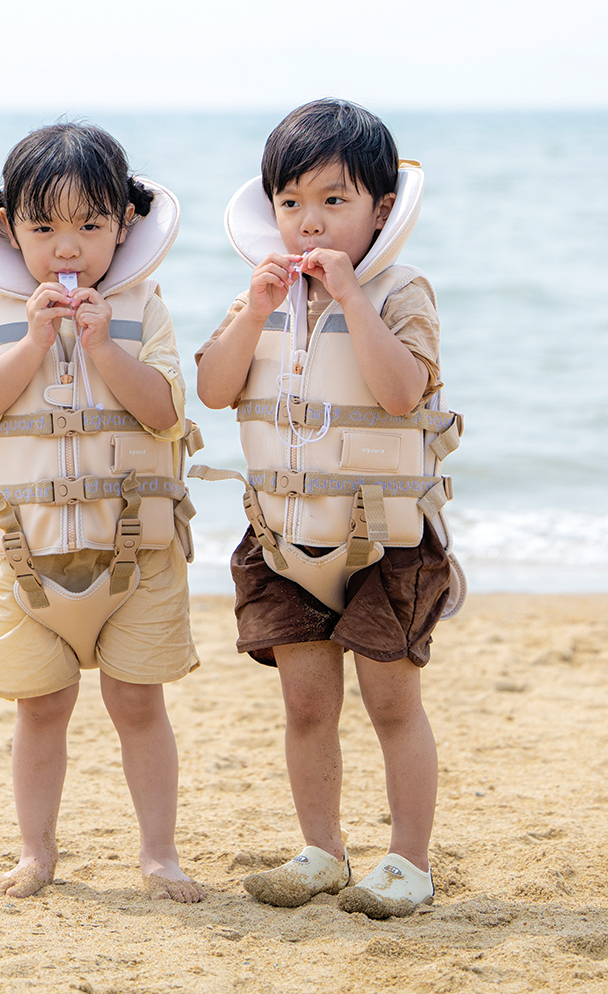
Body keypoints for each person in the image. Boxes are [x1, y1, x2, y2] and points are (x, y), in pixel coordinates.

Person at [195, 99, 462, 918]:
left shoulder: (401, 292)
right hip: (285, 537)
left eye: (333, 201)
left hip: (387, 541)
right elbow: (213, 390)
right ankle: (322, 850)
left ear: (381, 209)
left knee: (392, 703)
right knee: (306, 704)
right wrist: (254, 311)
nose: (308, 222)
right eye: (291, 202)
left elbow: (401, 392)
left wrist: (352, 300)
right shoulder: (261, 293)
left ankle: (408, 862)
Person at [0, 122, 203, 903]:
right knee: (41, 707)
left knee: (138, 702)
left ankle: (159, 855)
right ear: (9, 228)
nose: (68, 248)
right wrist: (32, 345)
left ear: (124, 224)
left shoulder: (144, 308)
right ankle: (35, 853)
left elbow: (164, 412)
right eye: (44, 229)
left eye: (90, 226)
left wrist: (102, 347)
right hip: (27, 556)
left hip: (135, 555)